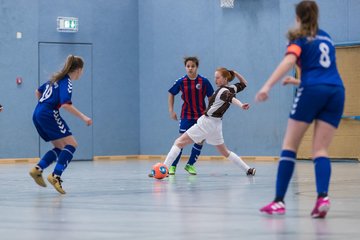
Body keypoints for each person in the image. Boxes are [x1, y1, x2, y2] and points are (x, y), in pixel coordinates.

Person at [256, 0, 345, 218]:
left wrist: (267, 85)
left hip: (313, 90)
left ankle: (279, 201)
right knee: (320, 150)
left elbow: (289, 60)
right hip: (336, 91)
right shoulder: (327, 37)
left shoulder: (299, 38)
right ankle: (322, 197)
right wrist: (296, 82)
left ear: (298, 17)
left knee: (289, 146)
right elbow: (322, 72)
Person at [152, 68, 256, 177]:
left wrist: (241, 105)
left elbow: (231, 99)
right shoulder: (232, 88)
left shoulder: (223, 91)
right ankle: (248, 169)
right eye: (215, 77)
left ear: (225, 79)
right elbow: (244, 83)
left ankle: (164, 169)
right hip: (216, 125)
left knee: (179, 142)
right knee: (225, 152)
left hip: (207, 123)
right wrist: (235, 73)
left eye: (218, 78)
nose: (215, 80)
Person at [29, 55, 92, 194]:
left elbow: (37, 91)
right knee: (72, 144)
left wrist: (43, 106)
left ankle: (38, 169)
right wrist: (84, 117)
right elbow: (65, 104)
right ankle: (56, 176)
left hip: (37, 113)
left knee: (59, 147)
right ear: (79, 70)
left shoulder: (55, 79)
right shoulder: (66, 82)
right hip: (48, 113)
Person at [167, 57, 214, 175]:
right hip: (186, 116)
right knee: (181, 141)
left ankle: (190, 164)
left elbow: (211, 97)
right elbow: (171, 93)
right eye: (188, 66)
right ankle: (173, 166)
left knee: (200, 140)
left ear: (196, 67)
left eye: (192, 66)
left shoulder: (204, 81)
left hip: (201, 116)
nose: (190, 68)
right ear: (185, 67)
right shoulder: (181, 81)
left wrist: (210, 111)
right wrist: (171, 110)